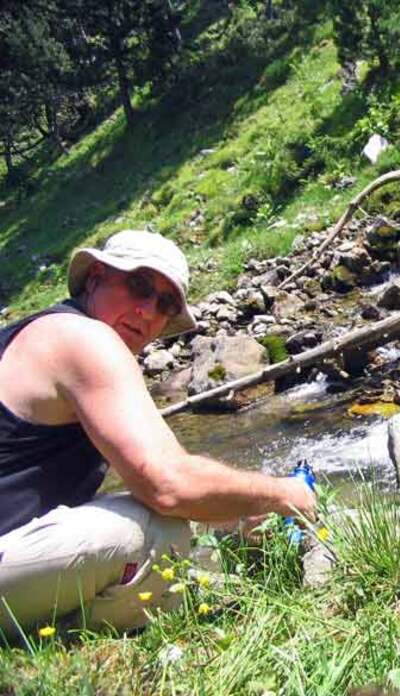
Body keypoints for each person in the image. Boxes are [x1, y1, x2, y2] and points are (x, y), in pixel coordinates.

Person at [0, 230, 316, 640]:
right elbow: (168, 485)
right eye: (139, 285)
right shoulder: (86, 340)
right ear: (95, 276)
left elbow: (166, 473)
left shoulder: (30, 332)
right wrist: (283, 494)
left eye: (165, 303)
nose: (148, 310)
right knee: (152, 530)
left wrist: (235, 511)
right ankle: (64, 641)